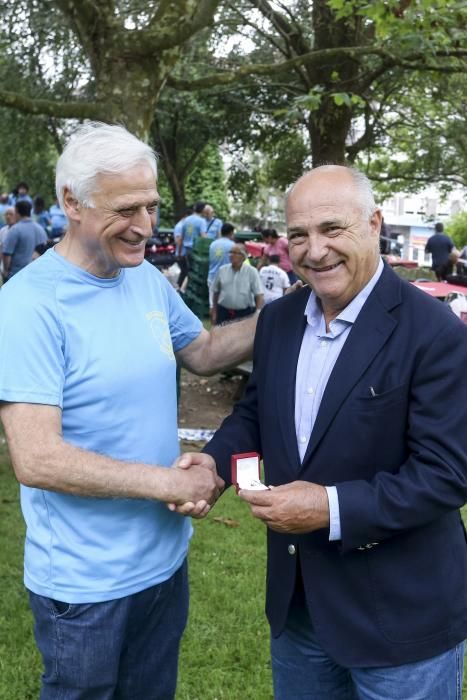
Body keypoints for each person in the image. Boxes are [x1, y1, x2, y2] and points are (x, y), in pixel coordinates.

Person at [180, 165, 467, 699]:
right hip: (301, 607)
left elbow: (447, 475)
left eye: (332, 229)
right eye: (298, 235)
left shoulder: (436, 334)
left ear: (375, 223)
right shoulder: (280, 320)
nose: (314, 251)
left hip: (402, 622)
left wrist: (330, 508)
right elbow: (256, 413)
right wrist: (215, 465)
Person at [0, 122, 260, 700]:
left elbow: (206, 352)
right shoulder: (28, 306)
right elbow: (37, 459)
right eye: (126, 208)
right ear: (71, 202)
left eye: (152, 204)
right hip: (85, 586)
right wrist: (164, 481)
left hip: (165, 566)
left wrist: (296, 309)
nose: (145, 225)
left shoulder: (144, 279)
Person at [212, 243, 264, 324]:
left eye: (235, 253)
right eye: (230, 252)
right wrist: (214, 311)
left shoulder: (251, 271)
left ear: (243, 256)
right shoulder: (222, 270)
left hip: (244, 313)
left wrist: (258, 313)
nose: (231, 255)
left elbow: (259, 294)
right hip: (223, 312)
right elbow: (216, 292)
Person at [2, 199, 47, 281]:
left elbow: (7, 254)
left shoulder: (14, 230)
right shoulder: (40, 229)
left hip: (16, 275)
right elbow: (44, 251)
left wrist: (5, 271)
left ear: (16, 212)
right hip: (35, 274)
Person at [207, 222, 236, 319]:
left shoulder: (213, 244)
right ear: (231, 233)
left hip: (212, 277)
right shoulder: (232, 245)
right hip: (226, 278)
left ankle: (213, 326)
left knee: (213, 305)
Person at [178, 201, 207, 289]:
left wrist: (179, 252)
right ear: (203, 211)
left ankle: (182, 288)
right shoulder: (202, 221)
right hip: (197, 250)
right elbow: (203, 237)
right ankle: (188, 289)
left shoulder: (186, 220)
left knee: (189, 270)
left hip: (187, 250)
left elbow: (181, 237)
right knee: (196, 272)